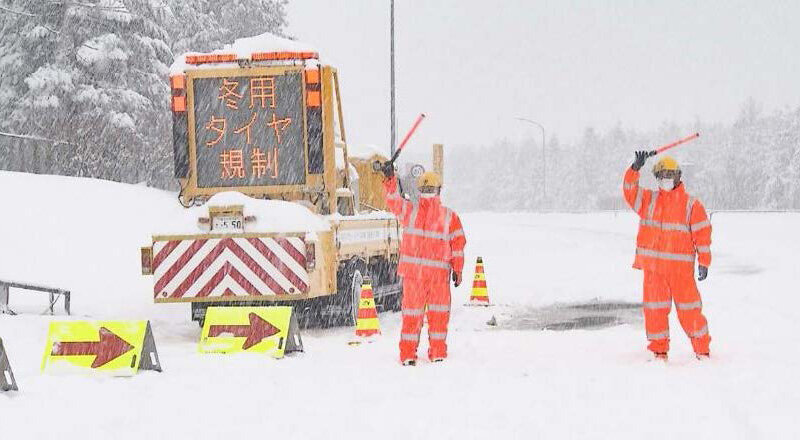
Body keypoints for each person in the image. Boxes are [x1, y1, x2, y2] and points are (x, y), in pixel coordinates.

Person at [623, 151, 712, 361]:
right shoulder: (648, 200)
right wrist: (634, 170)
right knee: (654, 312)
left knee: (690, 311)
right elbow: (629, 192)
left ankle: (702, 352)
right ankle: (659, 352)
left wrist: (704, 261)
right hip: (654, 271)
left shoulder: (692, 205)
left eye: (670, 174)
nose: (666, 178)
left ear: (679, 176)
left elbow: (702, 233)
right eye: (662, 174)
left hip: (680, 273)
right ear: (656, 177)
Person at [381, 162, 466, 366]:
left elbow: (393, 200)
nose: (428, 192)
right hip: (436, 278)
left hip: (415, 276)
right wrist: (457, 269)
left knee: (412, 316)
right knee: (438, 316)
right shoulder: (449, 216)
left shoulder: (410, 211)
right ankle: (437, 352)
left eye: (428, 189)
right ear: (439, 190)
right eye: (427, 189)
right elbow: (458, 244)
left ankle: (409, 354)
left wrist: (389, 180)